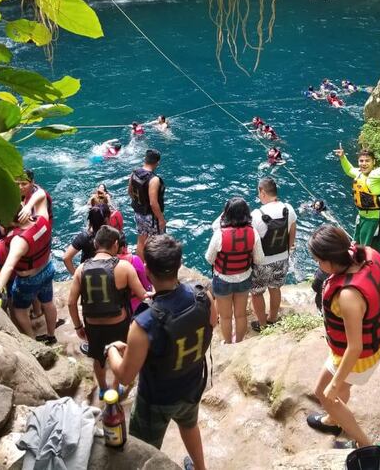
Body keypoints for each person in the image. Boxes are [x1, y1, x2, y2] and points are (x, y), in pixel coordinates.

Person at [106, 235, 216, 470]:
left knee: (144, 449)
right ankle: (200, 468)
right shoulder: (202, 295)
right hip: (192, 384)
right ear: (178, 265)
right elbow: (212, 323)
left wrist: (112, 350)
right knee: (189, 425)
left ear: (146, 270)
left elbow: (125, 376)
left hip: (156, 399)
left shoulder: (145, 322)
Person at [306, 225, 380, 448]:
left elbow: (355, 347)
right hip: (377, 345)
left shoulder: (348, 296)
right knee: (342, 389)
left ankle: (365, 445)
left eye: (318, 261)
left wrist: (334, 385)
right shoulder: (370, 254)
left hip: (358, 359)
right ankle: (333, 420)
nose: (318, 266)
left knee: (324, 394)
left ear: (329, 260)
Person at [69, 225, 148, 400]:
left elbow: (71, 302)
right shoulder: (124, 267)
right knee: (119, 353)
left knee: (98, 358)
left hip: (92, 325)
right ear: (115, 244)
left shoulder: (81, 269)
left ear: (96, 244)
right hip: (118, 323)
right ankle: (114, 388)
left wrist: (78, 326)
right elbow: (143, 295)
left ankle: (103, 389)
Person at [0, 206, 57, 343]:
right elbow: (40, 194)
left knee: (19, 309)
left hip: (29, 279)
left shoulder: (19, 240)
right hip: (47, 268)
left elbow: (9, 266)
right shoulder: (42, 219)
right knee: (48, 302)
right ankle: (51, 335)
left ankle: (32, 340)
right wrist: (29, 205)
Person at [205, 197, 264, 343]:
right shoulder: (253, 233)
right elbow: (259, 259)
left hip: (222, 279)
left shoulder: (220, 234)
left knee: (225, 317)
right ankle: (239, 341)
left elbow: (209, 258)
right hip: (244, 278)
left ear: (227, 214)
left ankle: (228, 343)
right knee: (240, 315)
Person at [250, 178, 296, 332]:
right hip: (282, 257)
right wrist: (287, 252)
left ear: (263, 192)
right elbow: (292, 232)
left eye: (259, 192)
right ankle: (273, 318)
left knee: (257, 293)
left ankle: (263, 324)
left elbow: (252, 241)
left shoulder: (256, 214)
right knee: (275, 288)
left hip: (262, 261)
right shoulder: (288, 208)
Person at [335, 145, 380, 248]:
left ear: (373, 162)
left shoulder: (376, 175)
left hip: (374, 220)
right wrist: (343, 157)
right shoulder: (359, 173)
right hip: (362, 217)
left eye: (367, 161)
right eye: (361, 161)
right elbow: (349, 170)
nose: (364, 164)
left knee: (367, 249)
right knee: (356, 245)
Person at [129, 149, 166, 259]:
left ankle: (140, 266)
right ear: (157, 163)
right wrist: (161, 219)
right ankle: (154, 269)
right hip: (151, 217)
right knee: (157, 243)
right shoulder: (154, 180)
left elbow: (130, 191)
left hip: (138, 213)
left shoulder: (134, 173)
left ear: (145, 159)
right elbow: (153, 203)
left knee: (141, 240)